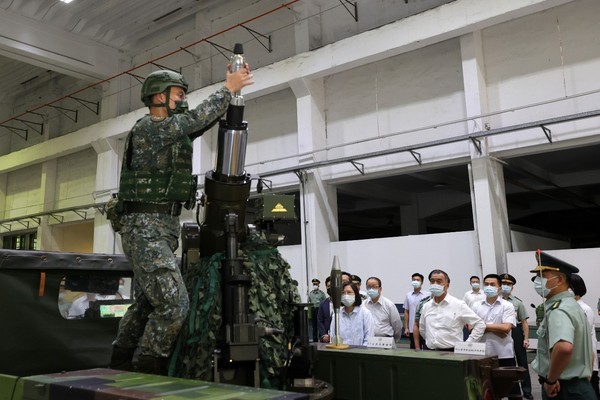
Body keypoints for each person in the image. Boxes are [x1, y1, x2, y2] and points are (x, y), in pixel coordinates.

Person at [109, 65, 253, 375]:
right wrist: (228, 88)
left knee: (148, 303)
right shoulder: (149, 128)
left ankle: (120, 363)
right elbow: (194, 121)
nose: (184, 99)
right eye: (179, 94)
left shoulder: (169, 131)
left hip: (162, 227)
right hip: (145, 227)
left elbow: (197, 123)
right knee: (174, 305)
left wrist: (228, 97)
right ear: (159, 96)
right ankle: (150, 367)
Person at [531, 251, 595, 399]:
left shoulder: (558, 310)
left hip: (562, 388)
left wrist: (551, 380)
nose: (537, 280)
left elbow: (564, 347)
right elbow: (589, 351)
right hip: (577, 385)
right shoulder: (573, 305)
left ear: (559, 280)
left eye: (543, 276)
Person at [473, 274, 520, 396]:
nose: (489, 287)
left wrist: (483, 326)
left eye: (492, 284)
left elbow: (506, 327)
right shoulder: (476, 305)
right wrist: (497, 328)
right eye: (486, 284)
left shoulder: (507, 305)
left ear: (499, 288)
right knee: (485, 388)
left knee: (511, 389)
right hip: (482, 354)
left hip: (504, 353)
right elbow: (471, 326)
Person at [419, 269, 485, 351]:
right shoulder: (426, 306)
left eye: (439, 281)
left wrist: (467, 344)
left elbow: (480, 324)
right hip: (431, 351)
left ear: (447, 285)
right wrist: (431, 341)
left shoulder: (458, 304)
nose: (435, 284)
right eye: (432, 281)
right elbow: (422, 328)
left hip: (452, 352)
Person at [500, 273, 534, 399]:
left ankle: (527, 390)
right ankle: (506, 390)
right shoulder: (494, 300)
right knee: (505, 362)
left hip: (516, 331)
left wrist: (526, 338)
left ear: (512, 287)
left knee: (522, 361)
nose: (505, 286)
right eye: (503, 283)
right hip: (500, 331)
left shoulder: (517, 303)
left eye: (508, 284)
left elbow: (524, 322)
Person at [570, 274, 600, 399]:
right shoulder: (569, 307)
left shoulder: (584, 309)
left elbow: (584, 339)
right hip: (575, 362)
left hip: (586, 362)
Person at [403, 272, 430, 349]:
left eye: (418, 280)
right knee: (414, 349)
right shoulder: (408, 295)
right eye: (414, 280)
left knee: (427, 349)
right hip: (412, 328)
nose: (415, 281)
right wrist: (406, 327)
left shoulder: (428, 295)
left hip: (425, 328)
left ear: (422, 282)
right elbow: (406, 312)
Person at [317, 277, 333, 343]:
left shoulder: (343, 304)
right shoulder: (323, 304)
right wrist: (324, 335)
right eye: (328, 286)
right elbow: (320, 320)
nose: (330, 288)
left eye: (332, 286)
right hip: (326, 339)